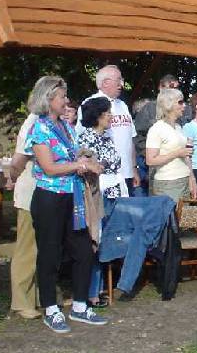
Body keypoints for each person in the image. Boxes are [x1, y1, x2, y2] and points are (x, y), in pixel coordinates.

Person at [26, 75, 108, 333]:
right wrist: (79, 165)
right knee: (50, 254)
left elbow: (74, 158)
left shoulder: (66, 127)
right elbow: (49, 168)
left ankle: (81, 306)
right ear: (49, 98)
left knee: (84, 250)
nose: (66, 100)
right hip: (49, 198)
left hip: (73, 196)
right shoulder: (39, 128)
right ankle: (51, 309)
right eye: (62, 96)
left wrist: (89, 164)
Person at [78, 96, 128, 308]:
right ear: (98, 116)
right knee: (96, 240)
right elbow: (91, 167)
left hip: (114, 192)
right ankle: (92, 292)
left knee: (108, 239)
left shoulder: (106, 137)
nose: (111, 116)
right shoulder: (87, 138)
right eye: (108, 113)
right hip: (98, 194)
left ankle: (101, 287)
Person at [76, 65, 138, 195]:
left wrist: (134, 168)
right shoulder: (91, 104)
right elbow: (82, 140)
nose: (122, 84)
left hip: (126, 173)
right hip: (104, 181)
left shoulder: (122, 105)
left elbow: (130, 138)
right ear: (105, 82)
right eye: (118, 80)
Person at [8, 97, 40, 320]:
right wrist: (13, 177)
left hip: (45, 193)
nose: (66, 100)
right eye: (62, 96)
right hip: (30, 192)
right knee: (27, 249)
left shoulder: (50, 122)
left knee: (42, 248)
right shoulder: (32, 123)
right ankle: (21, 301)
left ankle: (40, 295)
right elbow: (18, 161)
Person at [145, 88, 196, 202]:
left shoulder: (178, 127)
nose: (184, 106)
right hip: (168, 183)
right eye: (180, 102)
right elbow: (150, 160)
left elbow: (185, 156)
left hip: (184, 180)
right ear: (169, 104)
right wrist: (177, 153)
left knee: (184, 214)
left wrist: (192, 179)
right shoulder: (157, 129)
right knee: (172, 214)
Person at [134, 74, 180, 193]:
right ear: (160, 87)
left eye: (176, 88)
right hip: (155, 165)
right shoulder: (149, 109)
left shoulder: (180, 109)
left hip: (177, 164)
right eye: (171, 87)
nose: (174, 91)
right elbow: (138, 136)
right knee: (158, 198)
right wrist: (148, 154)